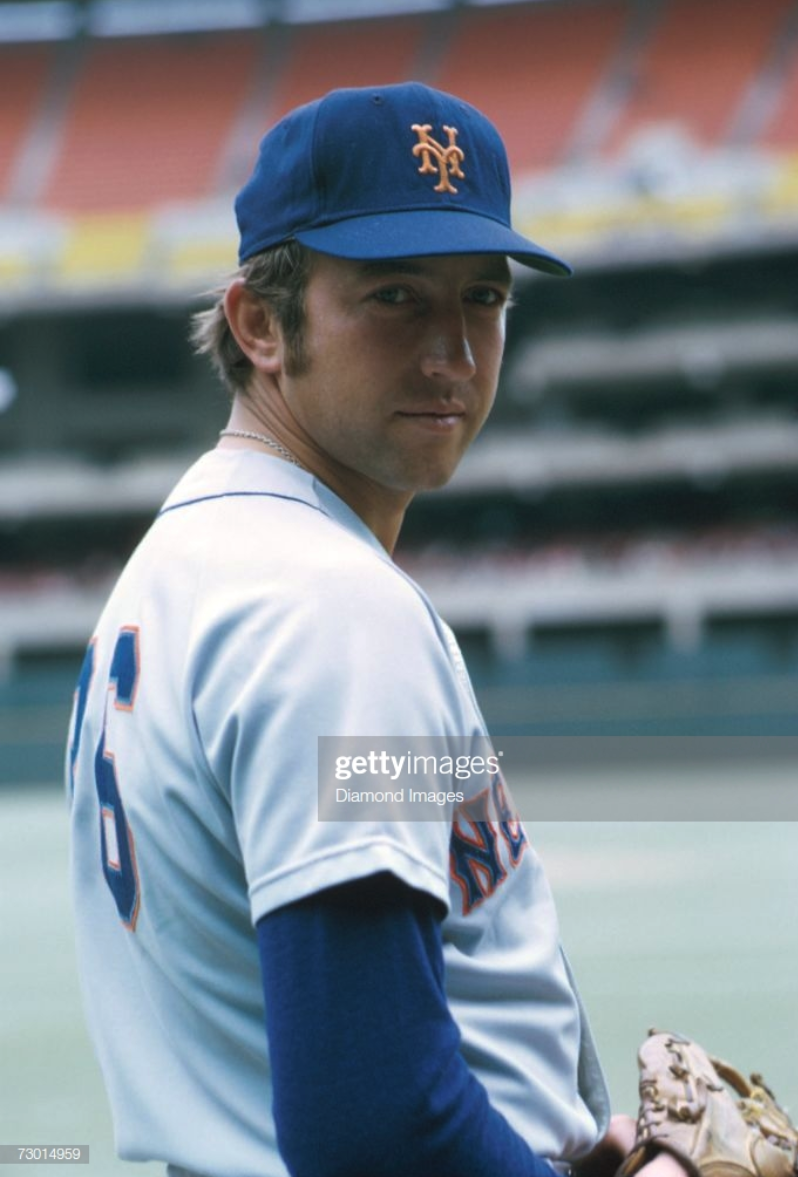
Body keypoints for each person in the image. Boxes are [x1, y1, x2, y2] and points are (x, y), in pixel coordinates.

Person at [66, 82, 686, 1177]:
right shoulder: (327, 608)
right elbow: (376, 1126)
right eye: (396, 296)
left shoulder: (183, 562)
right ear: (260, 320)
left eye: (484, 297)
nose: (453, 350)